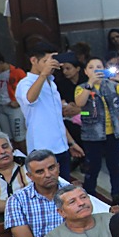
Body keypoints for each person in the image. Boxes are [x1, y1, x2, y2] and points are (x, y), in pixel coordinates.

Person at [75, 57, 119, 198]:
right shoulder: (81, 87)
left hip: (113, 133)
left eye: (99, 67)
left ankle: (117, 195)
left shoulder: (112, 85)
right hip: (92, 134)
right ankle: (89, 194)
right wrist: (90, 84)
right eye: (91, 67)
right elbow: (80, 102)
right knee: (92, 166)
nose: (95, 70)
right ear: (85, 72)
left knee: (115, 166)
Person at [18, 45, 81, 180]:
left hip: (61, 146)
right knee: (47, 186)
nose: (51, 65)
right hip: (42, 147)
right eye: (46, 61)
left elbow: (57, 118)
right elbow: (29, 99)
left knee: (64, 186)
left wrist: (71, 143)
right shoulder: (25, 83)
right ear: (34, 60)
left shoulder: (52, 83)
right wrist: (43, 75)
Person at [5, 150, 73, 237]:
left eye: (51, 168)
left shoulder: (74, 193)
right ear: (30, 176)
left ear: (58, 167)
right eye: (40, 172)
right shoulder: (17, 200)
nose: (48, 175)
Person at [0, 52, 27, 153]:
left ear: (0, 63)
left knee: (19, 136)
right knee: (7, 137)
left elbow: (27, 90)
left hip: (14, 108)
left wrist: (19, 102)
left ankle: (26, 156)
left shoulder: (17, 72)